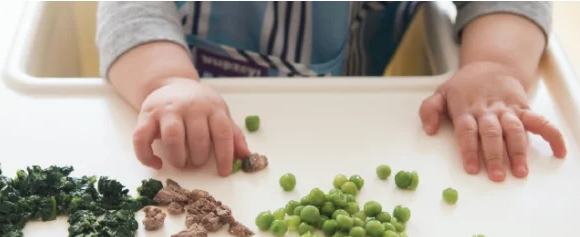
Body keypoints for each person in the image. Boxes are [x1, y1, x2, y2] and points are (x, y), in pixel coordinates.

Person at [96, 1, 567, 182]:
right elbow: (131, 10)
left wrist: (494, 65)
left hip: (350, 133)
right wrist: (164, 81)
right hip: (194, 129)